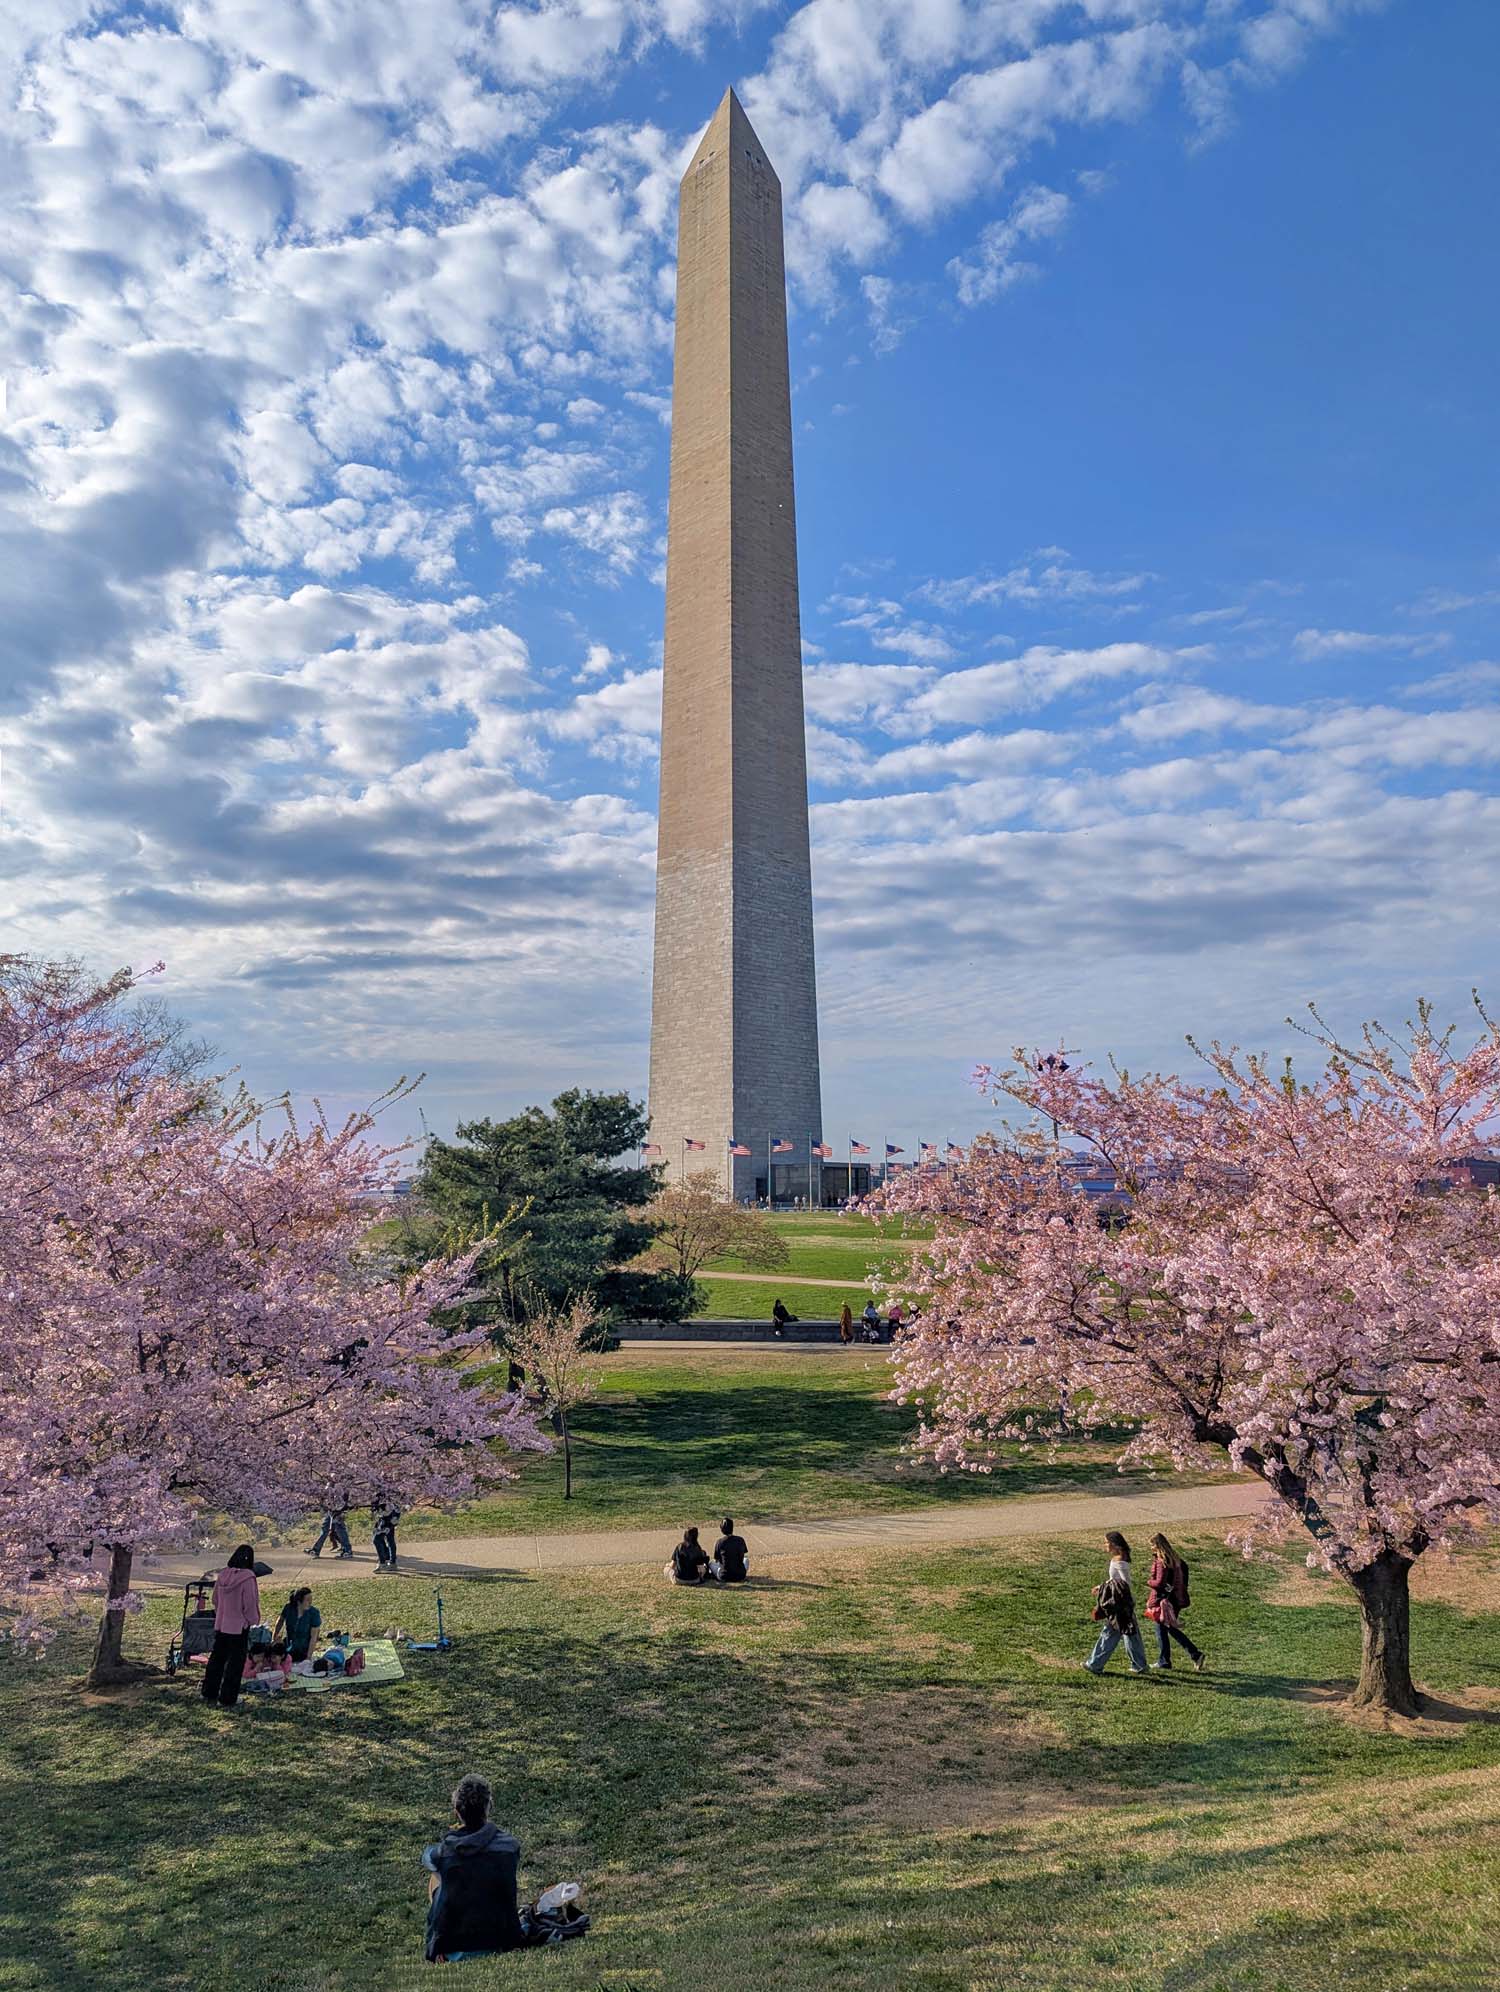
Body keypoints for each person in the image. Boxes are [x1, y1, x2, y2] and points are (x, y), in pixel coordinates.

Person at [423, 1774, 526, 1964]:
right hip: (502, 1940)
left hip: (455, 1947)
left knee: (438, 1878)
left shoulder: (444, 1851)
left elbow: (428, 1858)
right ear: (488, 1808)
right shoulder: (510, 1846)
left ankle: (438, 1945)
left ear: (457, 1812)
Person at [200, 1544, 264, 1708]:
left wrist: (222, 1612)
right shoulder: (248, 1577)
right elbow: (249, 1603)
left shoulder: (222, 1575)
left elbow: (215, 1600)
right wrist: (251, 1620)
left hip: (222, 1624)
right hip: (238, 1626)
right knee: (235, 1664)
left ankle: (209, 1692)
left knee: (217, 1659)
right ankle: (228, 1698)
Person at [1082, 1530, 1148, 1677]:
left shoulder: (1120, 1562)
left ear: (1115, 1545)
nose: (1105, 1545)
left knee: (1110, 1632)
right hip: (1124, 1604)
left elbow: (1125, 1583)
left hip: (1120, 1604)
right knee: (1131, 1634)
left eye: (1107, 1543)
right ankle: (1140, 1665)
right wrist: (1101, 1587)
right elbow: (1115, 1580)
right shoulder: (1118, 1559)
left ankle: (1095, 1664)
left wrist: (1112, 1593)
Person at [1146, 1533, 1206, 1672]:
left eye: (1152, 1546)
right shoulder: (1177, 1559)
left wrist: (1150, 1582)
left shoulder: (1162, 1561)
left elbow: (1159, 1583)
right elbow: (1185, 1576)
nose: (1151, 1549)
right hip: (1177, 1598)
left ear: (1158, 1546)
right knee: (1169, 1627)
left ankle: (1165, 1661)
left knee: (1162, 1628)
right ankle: (1194, 1654)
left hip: (1164, 1600)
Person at [274, 1585, 322, 1662]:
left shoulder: (314, 1613)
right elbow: (280, 1621)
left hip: (304, 1650)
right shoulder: (288, 1608)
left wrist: (308, 1657)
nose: (310, 1602)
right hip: (288, 1647)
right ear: (299, 1602)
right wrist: (275, 1637)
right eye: (307, 1600)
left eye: (311, 1599)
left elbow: (314, 1637)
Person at [711, 1517, 748, 1583]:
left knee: (711, 1563)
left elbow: (717, 1559)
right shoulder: (740, 1540)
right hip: (740, 1575)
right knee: (746, 1560)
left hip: (724, 1576)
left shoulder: (720, 1542)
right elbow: (742, 1555)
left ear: (722, 1529)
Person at [373, 1500, 401, 1571]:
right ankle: (391, 1562)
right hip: (385, 1517)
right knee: (389, 1540)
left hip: (390, 1517)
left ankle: (383, 1563)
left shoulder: (391, 1496)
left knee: (377, 1540)